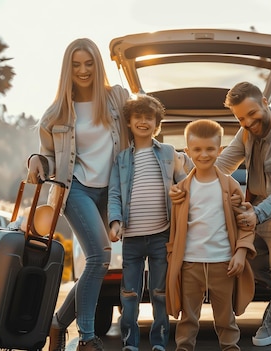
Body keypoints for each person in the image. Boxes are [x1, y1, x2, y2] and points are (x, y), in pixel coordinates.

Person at [170, 82, 271, 351]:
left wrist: (257, 214)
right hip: (256, 209)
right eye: (241, 118)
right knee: (252, 267)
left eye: (252, 114)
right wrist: (187, 179)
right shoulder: (246, 132)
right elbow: (224, 164)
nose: (248, 122)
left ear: (264, 101)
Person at [26, 38, 130, 351]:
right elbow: (49, 157)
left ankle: (58, 323)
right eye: (76, 64)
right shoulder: (57, 113)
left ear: (97, 66)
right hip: (77, 190)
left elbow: (143, 126)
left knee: (99, 263)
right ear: (67, 69)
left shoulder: (117, 98)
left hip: (113, 191)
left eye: (89, 63)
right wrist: (37, 160)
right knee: (99, 257)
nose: (83, 70)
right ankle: (86, 337)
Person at [107, 95, 190, 351]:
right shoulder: (121, 159)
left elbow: (184, 181)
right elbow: (114, 193)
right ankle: (130, 343)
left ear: (157, 124)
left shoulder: (167, 153)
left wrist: (184, 185)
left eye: (149, 118)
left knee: (159, 293)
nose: (143, 122)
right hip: (131, 237)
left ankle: (159, 343)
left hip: (161, 235)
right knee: (129, 294)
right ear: (129, 123)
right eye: (138, 117)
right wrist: (114, 221)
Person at [166, 119, 256, 351]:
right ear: (187, 151)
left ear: (220, 150)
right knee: (188, 319)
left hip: (223, 263)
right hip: (190, 263)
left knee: (226, 319)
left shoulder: (230, 186)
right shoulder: (182, 189)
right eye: (197, 149)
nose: (203, 154)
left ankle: (230, 348)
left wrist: (241, 253)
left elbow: (246, 222)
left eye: (209, 149)